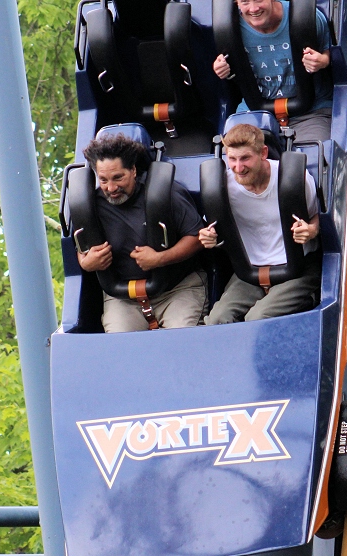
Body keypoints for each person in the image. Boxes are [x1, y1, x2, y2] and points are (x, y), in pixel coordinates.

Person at [79, 135, 207, 332]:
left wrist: (160, 258)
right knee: (123, 349)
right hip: (123, 298)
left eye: (118, 178)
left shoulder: (165, 194)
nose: (111, 188)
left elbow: (197, 237)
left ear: (133, 170)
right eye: (103, 180)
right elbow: (80, 250)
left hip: (176, 289)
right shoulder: (92, 205)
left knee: (182, 343)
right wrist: (87, 263)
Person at [199, 124, 321, 323]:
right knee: (217, 319)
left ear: (263, 153)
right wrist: (208, 237)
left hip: (297, 266)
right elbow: (211, 227)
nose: (239, 168)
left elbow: (316, 217)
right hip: (249, 271)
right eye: (232, 159)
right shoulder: (222, 187)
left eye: (245, 158)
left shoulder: (292, 178)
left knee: (258, 317)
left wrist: (311, 230)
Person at [213, 0, 333, 142]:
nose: (253, 8)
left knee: (312, 158)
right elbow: (226, 65)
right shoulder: (229, 30)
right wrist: (221, 68)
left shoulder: (308, 18)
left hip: (311, 111)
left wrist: (323, 61)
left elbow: (331, 52)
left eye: (259, 0)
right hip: (254, 113)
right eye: (245, 2)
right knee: (238, 158)